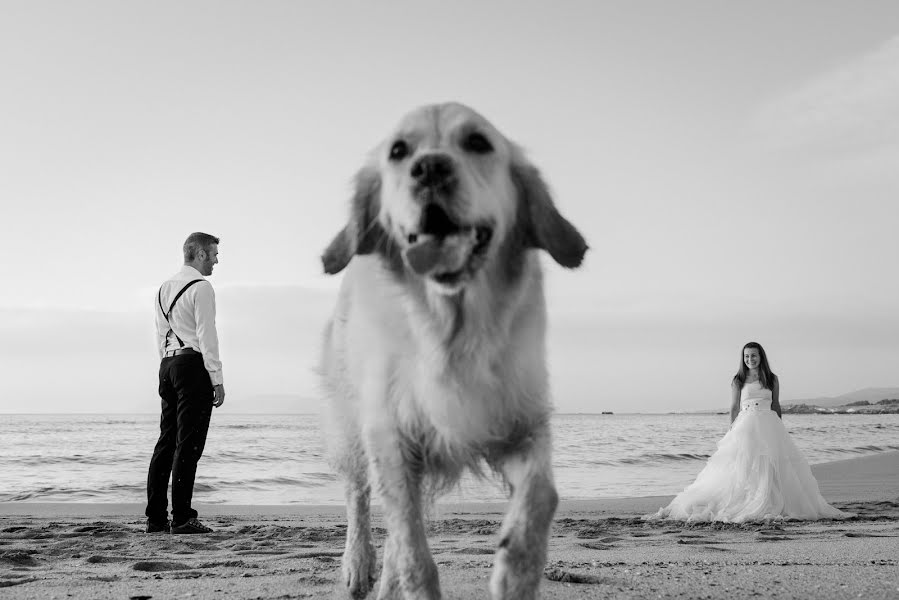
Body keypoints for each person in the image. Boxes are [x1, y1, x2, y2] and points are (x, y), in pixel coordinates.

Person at [645, 342, 852, 523]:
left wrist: (780, 429)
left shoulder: (772, 379)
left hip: (770, 424)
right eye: (746, 356)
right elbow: (734, 407)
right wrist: (732, 429)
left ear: (760, 357)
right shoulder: (738, 379)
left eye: (753, 355)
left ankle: (774, 501)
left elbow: (776, 404)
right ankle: (745, 499)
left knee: (771, 465)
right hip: (746, 426)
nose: (750, 359)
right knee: (745, 465)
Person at [145, 232, 225, 534]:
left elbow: (159, 332)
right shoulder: (202, 288)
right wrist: (216, 377)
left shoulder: (164, 288)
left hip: (168, 364)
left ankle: (155, 518)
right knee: (188, 446)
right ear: (200, 254)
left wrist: (167, 365)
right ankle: (181, 518)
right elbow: (207, 336)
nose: (217, 260)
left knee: (166, 442)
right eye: (214, 254)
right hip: (192, 366)